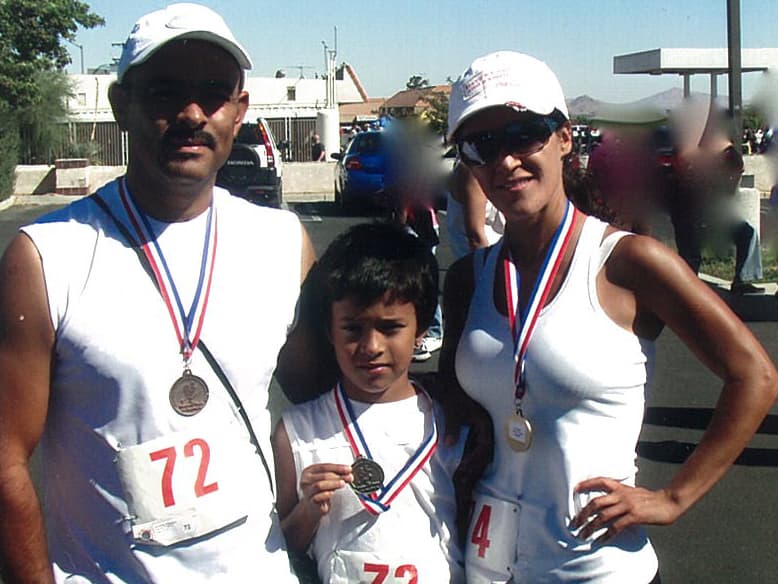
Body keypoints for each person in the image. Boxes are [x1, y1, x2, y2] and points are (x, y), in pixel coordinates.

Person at [0, 4, 315, 583]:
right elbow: (5, 459)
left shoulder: (282, 242)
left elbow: (333, 398)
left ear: (240, 111)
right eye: (165, 92)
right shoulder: (46, 256)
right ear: (123, 106)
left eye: (214, 93)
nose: (192, 114)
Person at [439, 51, 778, 583]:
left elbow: (754, 376)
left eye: (524, 134)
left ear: (564, 138)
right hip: (490, 565)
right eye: (481, 145)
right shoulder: (467, 278)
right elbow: (462, 405)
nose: (504, 161)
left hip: (595, 568)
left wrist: (672, 497)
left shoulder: (628, 262)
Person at [272, 222, 466, 583]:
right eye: (352, 329)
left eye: (390, 328)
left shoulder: (449, 423)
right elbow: (285, 544)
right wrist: (308, 511)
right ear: (329, 330)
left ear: (422, 328)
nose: (371, 347)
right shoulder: (297, 432)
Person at [446, 159, 505, 260]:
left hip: (503, 255)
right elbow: (476, 237)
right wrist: (488, 271)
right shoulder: (472, 171)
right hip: (481, 260)